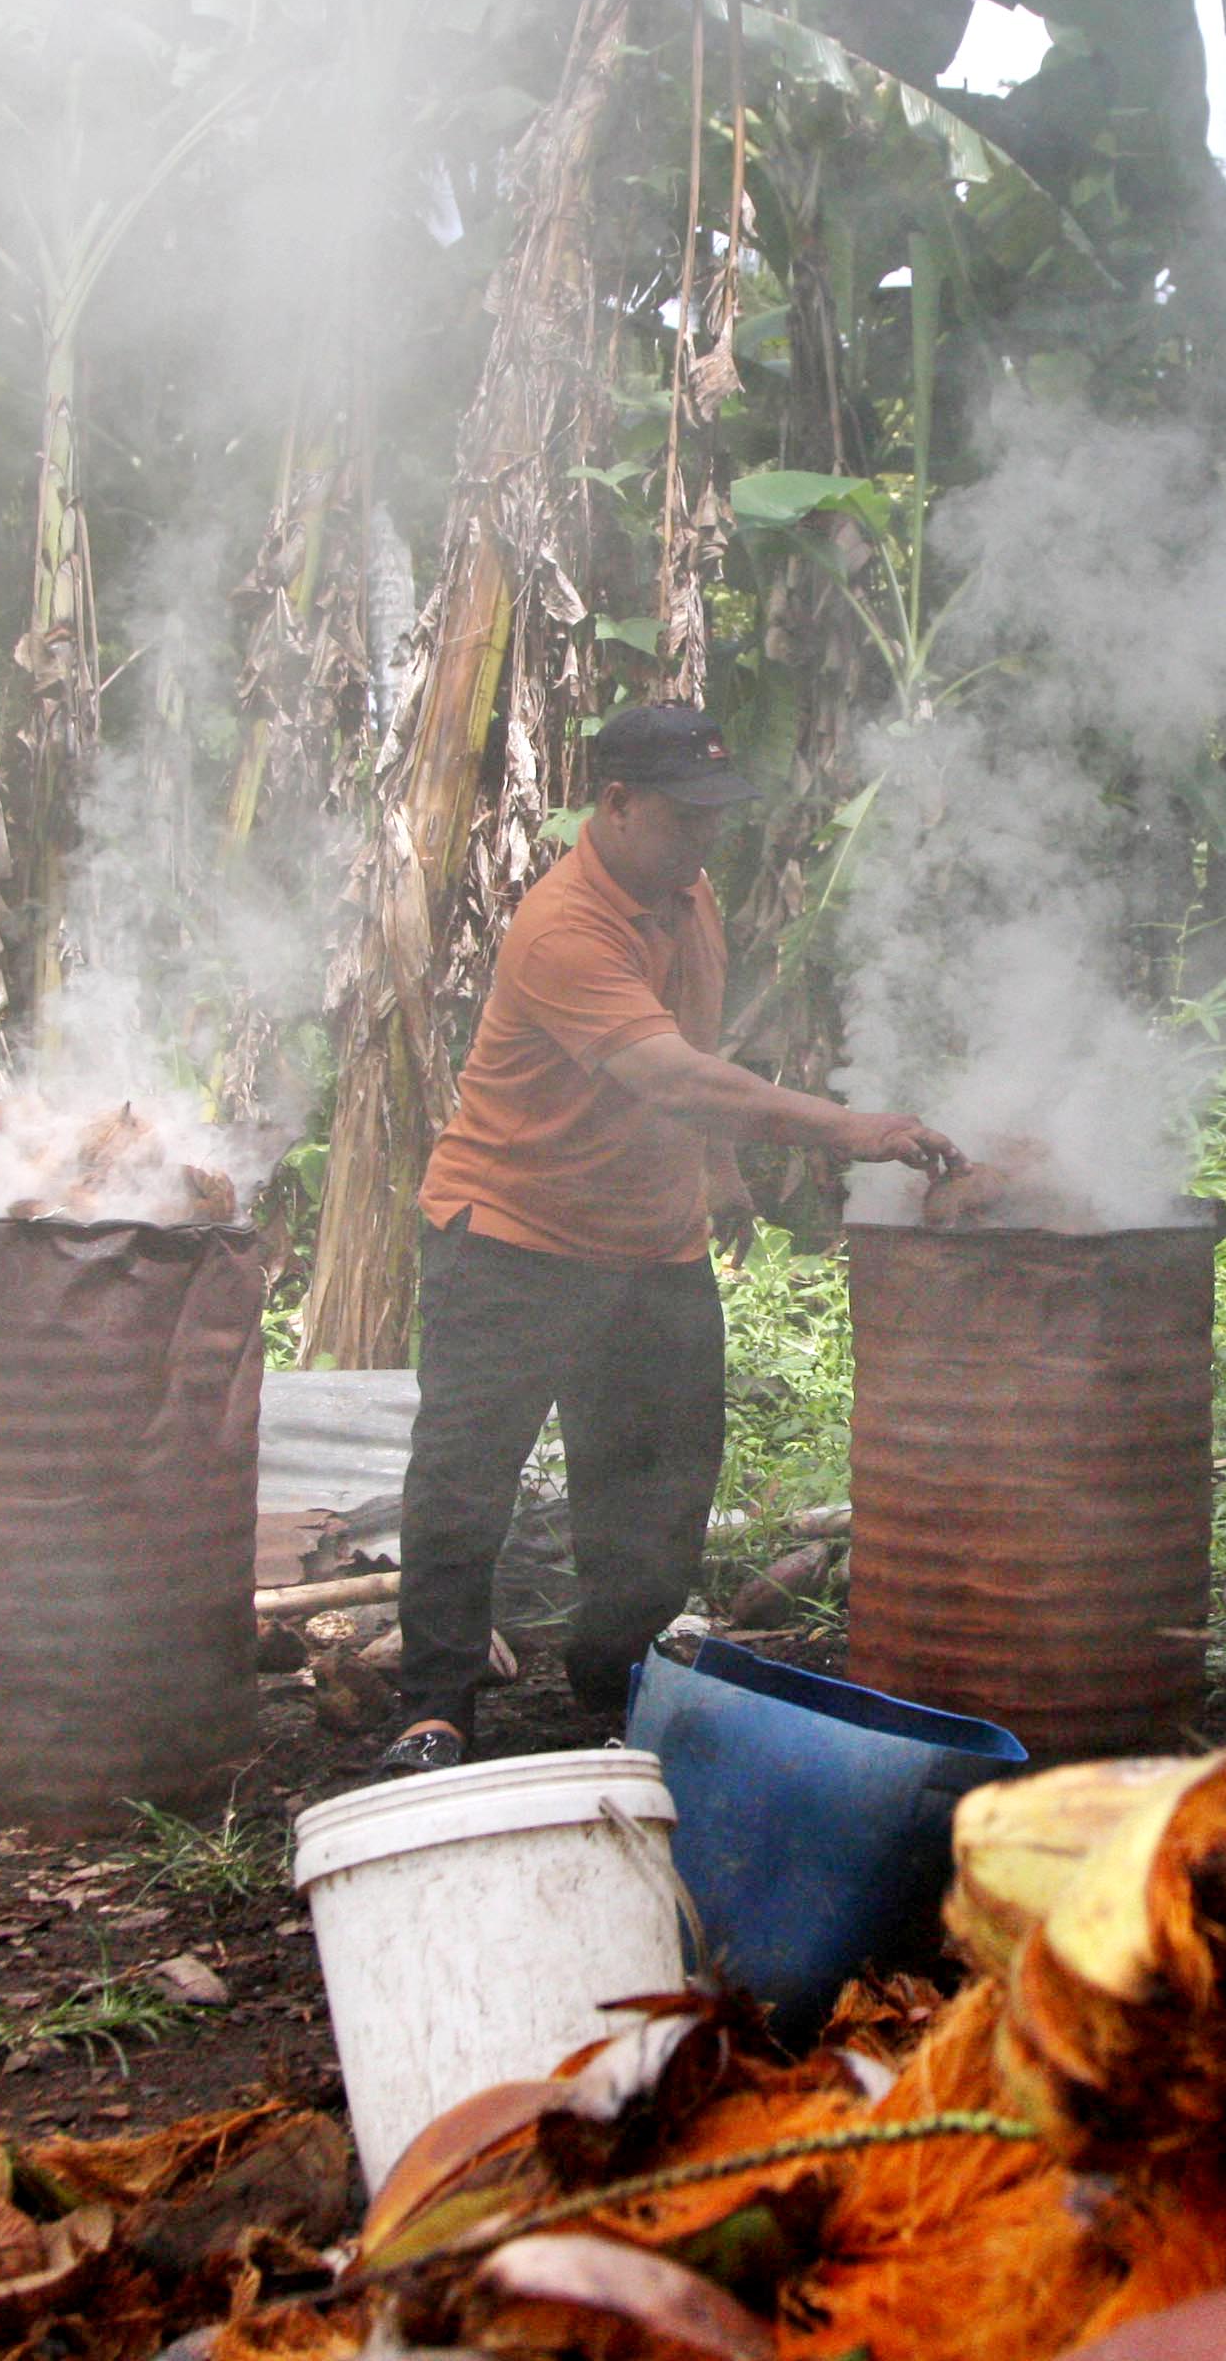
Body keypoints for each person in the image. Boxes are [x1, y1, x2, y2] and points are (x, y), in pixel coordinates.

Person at [380, 702, 961, 1774]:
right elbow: (672, 1073)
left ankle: (615, 1687)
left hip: (651, 1248)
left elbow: (692, 1040)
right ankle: (436, 1710)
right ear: (616, 804)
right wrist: (853, 1129)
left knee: (656, 1494)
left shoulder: (687, 895)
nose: (705, 841)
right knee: (467, 1483)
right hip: (509, 1237)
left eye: (715, 819)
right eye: (685, 818)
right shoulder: (564, 927)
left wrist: (718, 1168)